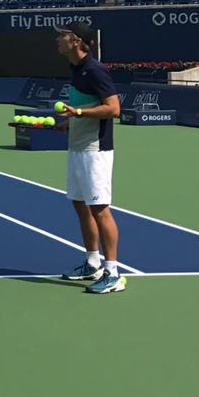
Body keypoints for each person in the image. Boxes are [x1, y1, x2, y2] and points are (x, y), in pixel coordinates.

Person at [55, 22, 125, 294]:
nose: (57, 41)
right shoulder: (75, 69)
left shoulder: (95, 70)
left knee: (99, 208)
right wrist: (71, 123)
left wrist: (79, 115)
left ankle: (113, 273)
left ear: (75, 40)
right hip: (78, 146)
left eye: (61, 36)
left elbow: (114, 109)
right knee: (80, 205)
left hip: (95, 151)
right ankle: (92, 262)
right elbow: (84, 107)